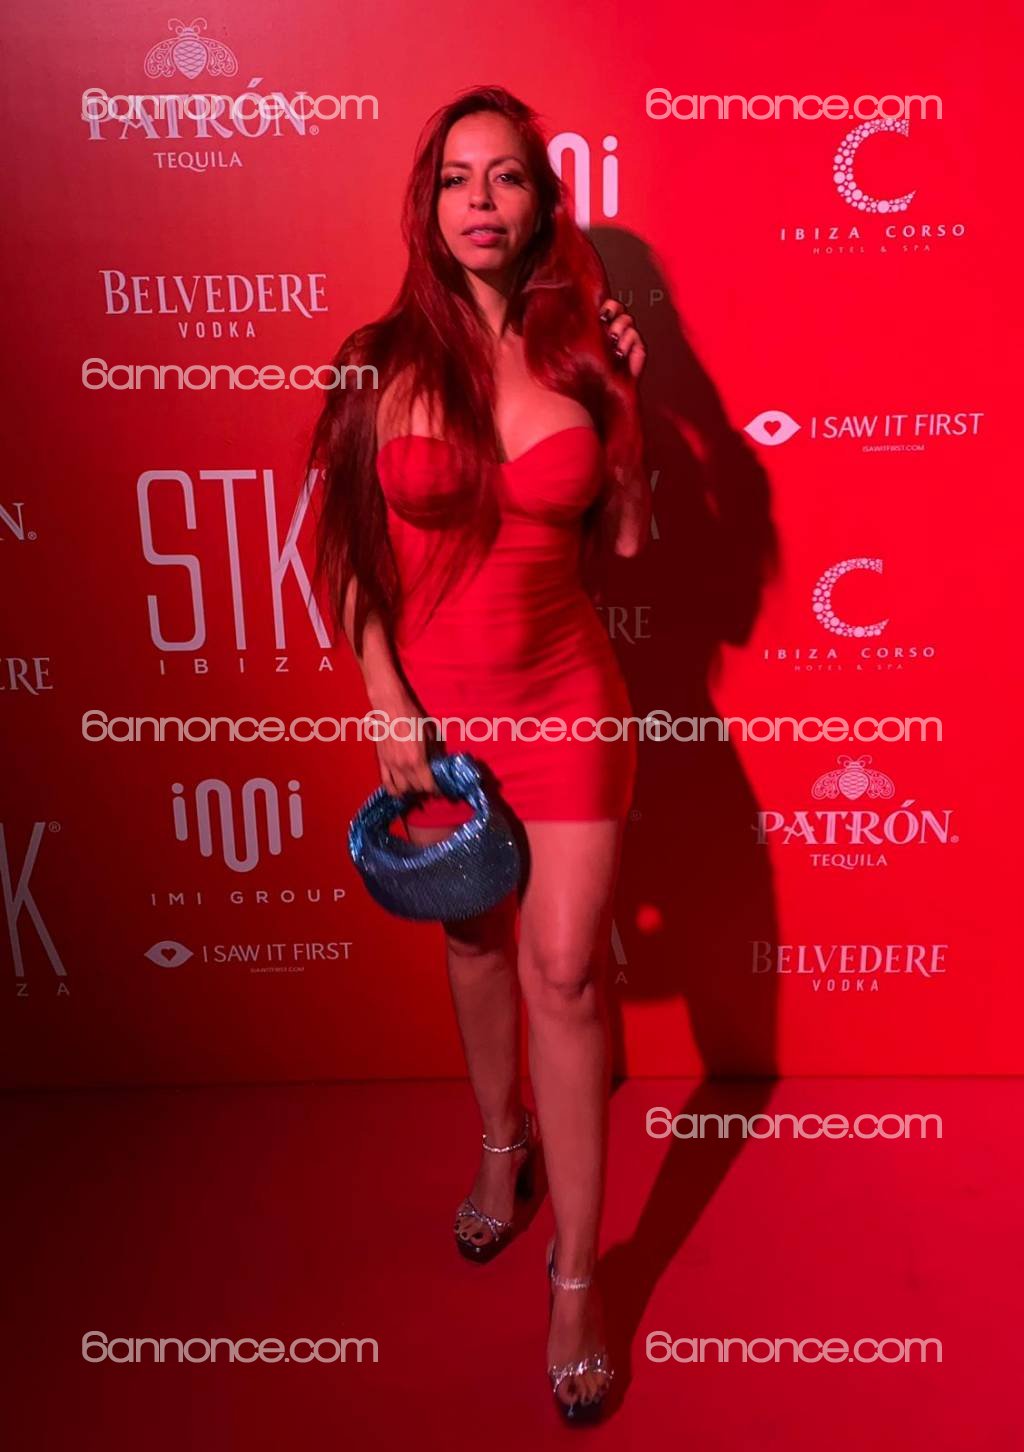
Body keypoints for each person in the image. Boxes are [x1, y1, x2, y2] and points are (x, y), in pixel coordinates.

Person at [308, 84, 650, 1423]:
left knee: (566, 968)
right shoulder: (379, 358)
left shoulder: (578, 359)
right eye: (458, 178)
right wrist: (385, 699)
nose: (482, 202)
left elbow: (629, 541)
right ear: (428, 203)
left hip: (570, 699)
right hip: (438, 717)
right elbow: (353, 555)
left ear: (541, 205)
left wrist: (628, 398)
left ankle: (578, 1280)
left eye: (507, 177)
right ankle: (503, 1145)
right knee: (474, 943)